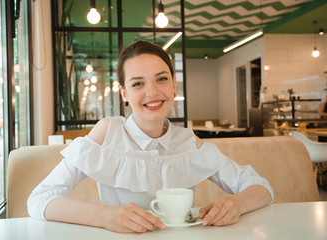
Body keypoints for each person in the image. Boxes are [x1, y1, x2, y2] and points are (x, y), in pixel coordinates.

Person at [27, 41, 273, 233]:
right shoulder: (107, 132)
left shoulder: (188, 141)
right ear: (123, 92)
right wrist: (105, 216)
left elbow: (261, 188)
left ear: (174, 84)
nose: (152, 92)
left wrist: (236, 205)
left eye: (162, 79)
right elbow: (39, 200)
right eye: (137, 84)